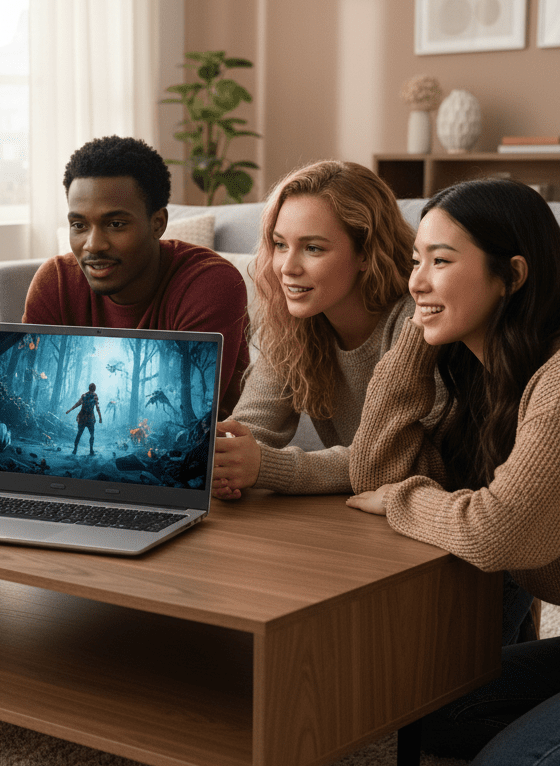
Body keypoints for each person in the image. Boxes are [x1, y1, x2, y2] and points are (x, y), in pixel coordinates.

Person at [347, 178, 560, 766]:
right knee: (427, 713)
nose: (416, 280)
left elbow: (497, 534)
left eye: (441, 261)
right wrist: (416, 337)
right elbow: (374, 474)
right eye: (415, 261)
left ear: (512, 274)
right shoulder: (488, 373)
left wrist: (403, 500)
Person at [212, 160, 421, 499]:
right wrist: (225, 459)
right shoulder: (293, 320)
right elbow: (252, 426)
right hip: (350, 513)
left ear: (367, 252)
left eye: (312, 248)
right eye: (280, 245)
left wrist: (266, 467)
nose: (287, 268)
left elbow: (398, 460)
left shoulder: (414, 322)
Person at [22, 135, 250, 417]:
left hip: (205, 455)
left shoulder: (211, 284)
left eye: (116, 224)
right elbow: (31, 394)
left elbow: (187, 416)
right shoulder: (55, 282)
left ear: (158, 224)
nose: (93, 244)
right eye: (79, 225)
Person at [66, 382, 103, 455]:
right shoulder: (93, 396)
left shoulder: (85, 395)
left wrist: (70, 410)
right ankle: (90, 450)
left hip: (84, 417)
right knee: (90, 435)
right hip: (88, 417)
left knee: (80, 433)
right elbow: (97, 407)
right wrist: (100, 417)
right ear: (95, 389)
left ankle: (75, 450)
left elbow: (78, 404)